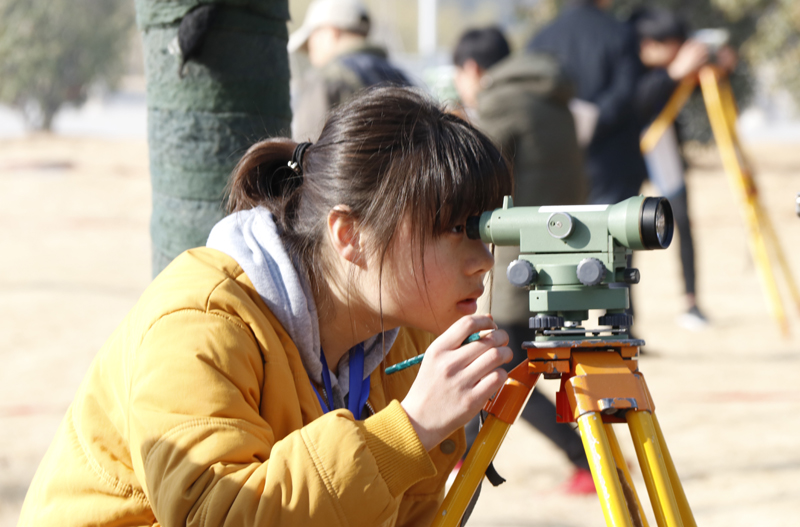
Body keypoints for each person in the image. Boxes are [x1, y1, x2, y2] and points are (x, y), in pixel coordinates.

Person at [18, 87, 515, 526]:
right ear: (351, 236)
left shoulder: (404, 342)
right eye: (457, 229)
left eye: (483, 228)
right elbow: (213, 515)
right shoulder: (201, 321)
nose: (484, 261)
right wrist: (409, 430)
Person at [452, 27, 594, 494]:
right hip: (562, 250)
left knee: (502, 369)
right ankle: (464, 451)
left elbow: (476, 175)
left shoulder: (502, 100)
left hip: (520, 256)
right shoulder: (551, 96)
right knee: (505, 360)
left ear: (473, 69)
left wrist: (456, 130)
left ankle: (584, 458)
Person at [631, 7, 735, 330]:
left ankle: (691, 302)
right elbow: (636, 101)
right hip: (628, 152)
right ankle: (624, 314)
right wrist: (674, 73)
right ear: (649, 44)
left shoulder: (673, 65)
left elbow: (701, 81)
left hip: (664, 145)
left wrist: (721, 66)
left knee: (682, 222)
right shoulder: (627, 61)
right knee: (625, 229)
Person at [527, 0, 647, 206]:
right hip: (613, 160)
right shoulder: (621, 33)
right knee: (613, 225)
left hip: (558, 161)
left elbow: (532, 97)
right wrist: (592, 118)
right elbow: (627, 92)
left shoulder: (539, 39)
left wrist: (568, 122)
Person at [289, 0, 411, 141]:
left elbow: (308, 147)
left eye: (310, 42)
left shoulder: (325, 79)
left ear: (331, 32)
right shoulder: (402, 78)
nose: (310, 55)